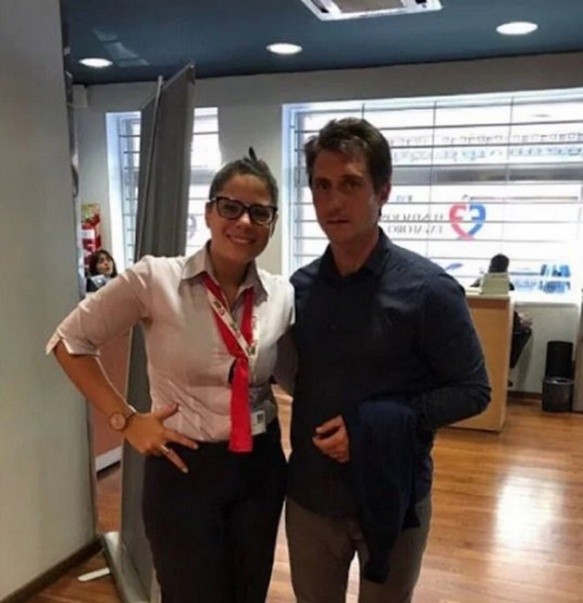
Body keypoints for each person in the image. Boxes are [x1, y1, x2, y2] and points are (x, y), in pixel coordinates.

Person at [46, 151, 293, 603]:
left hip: (259, 468)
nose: (244, 222)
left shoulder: (281, 295)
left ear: (272, 223)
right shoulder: (155, 280)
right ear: (209, 212)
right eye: (230, 207)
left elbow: (297, 372)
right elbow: (69, 341)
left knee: (249, 593)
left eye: (260, 213)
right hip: (183, 467)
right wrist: (125, 419)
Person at [284, 118, 491, 602]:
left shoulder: (429, 290)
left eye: (350, 184)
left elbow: (474, 390)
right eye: (322, 185)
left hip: (394, 494)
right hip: (311, 498)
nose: (333, 202)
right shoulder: (298, 289)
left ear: (384, 192)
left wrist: (373, 427)